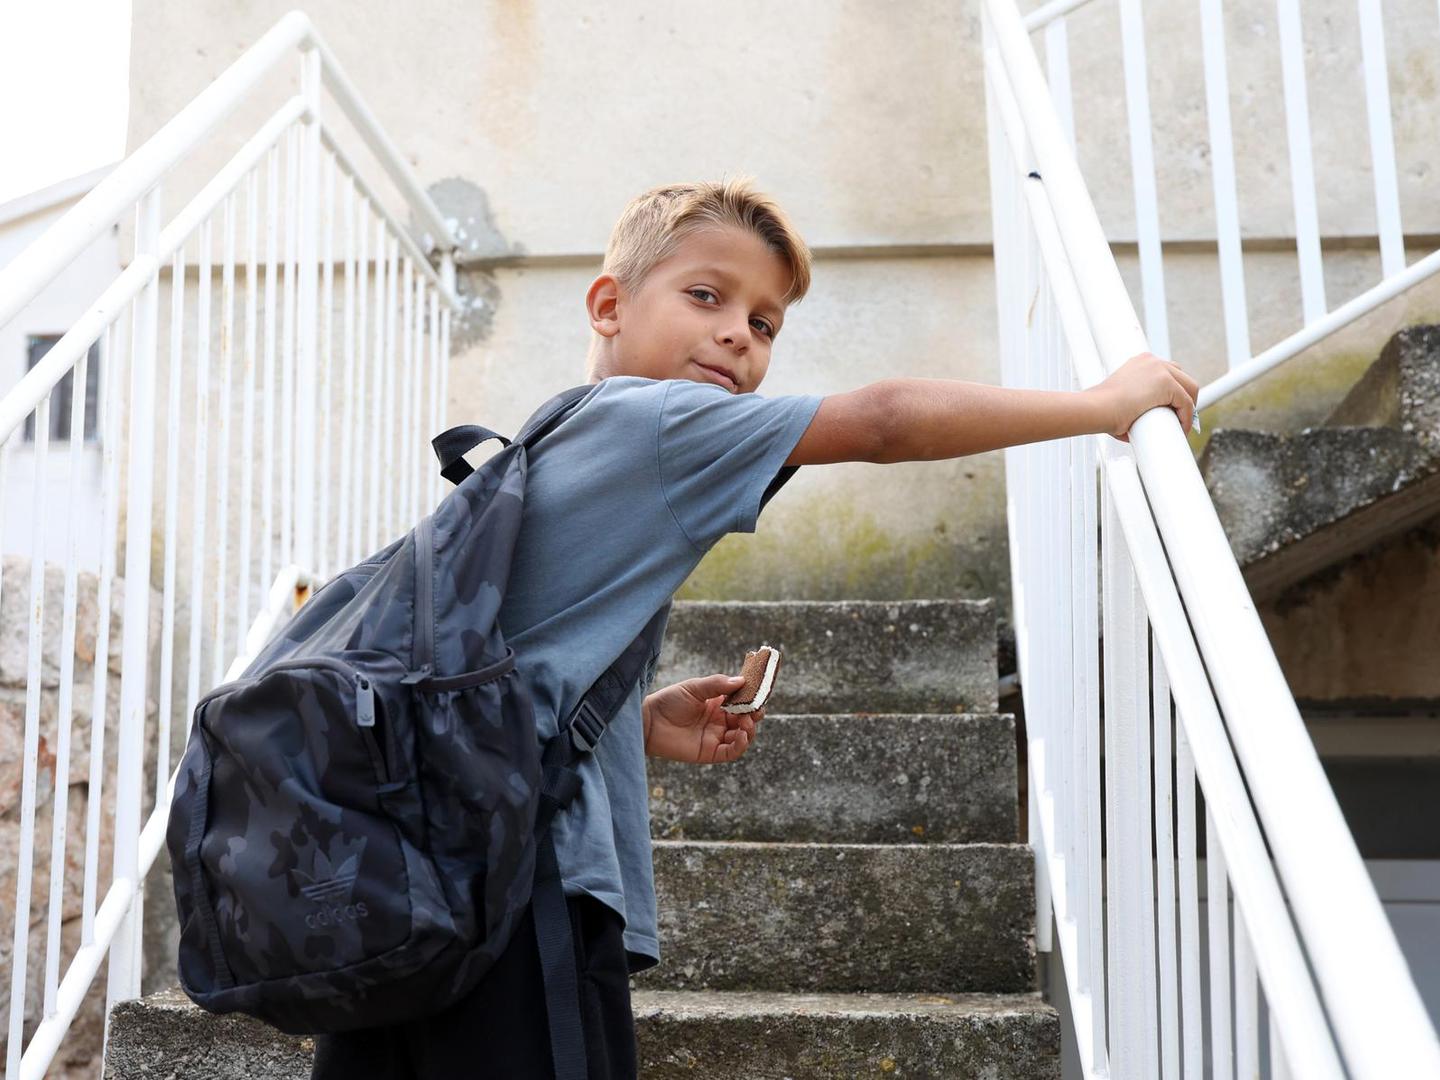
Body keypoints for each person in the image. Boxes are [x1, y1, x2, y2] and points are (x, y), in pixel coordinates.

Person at [310, 178, 1198, 1079]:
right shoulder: (661, 421)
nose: (738, 332)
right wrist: (1102, 404)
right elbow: (885, 422)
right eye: (707, 296)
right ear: (609, 304)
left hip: (417, 886)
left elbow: (518, 660)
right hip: (524, 890)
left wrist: (635, 720)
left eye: (765, 323)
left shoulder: (552, 436)